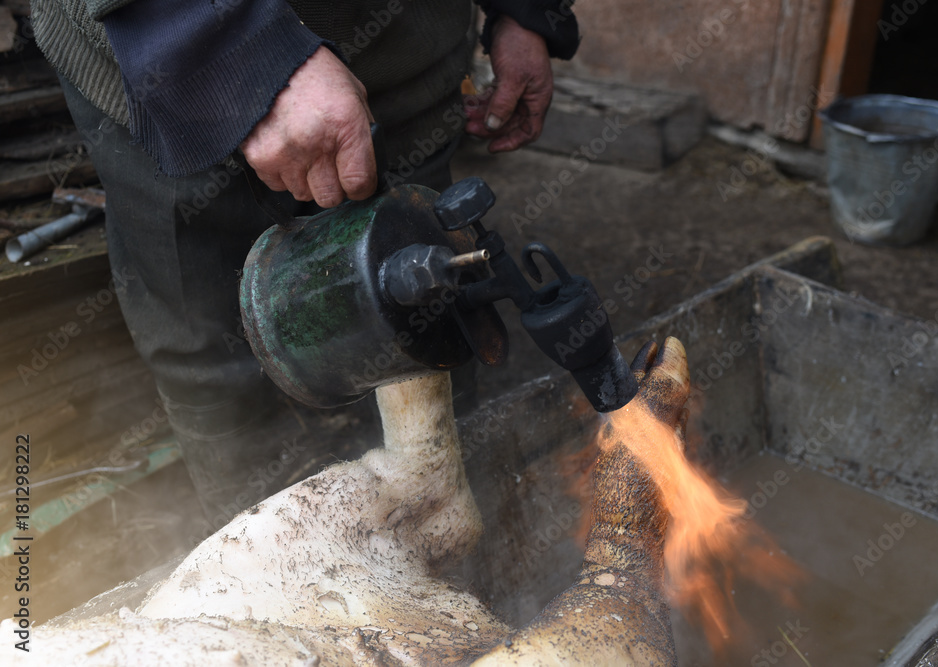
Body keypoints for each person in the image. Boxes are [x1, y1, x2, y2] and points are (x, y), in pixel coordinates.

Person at [28, 0, 579, 527]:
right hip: (173, 71)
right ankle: (268, 591)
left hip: (402, 54)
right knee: (218, 344)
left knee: (425, 319)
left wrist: (525, 11)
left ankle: (444, 555)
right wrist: (240, 58)